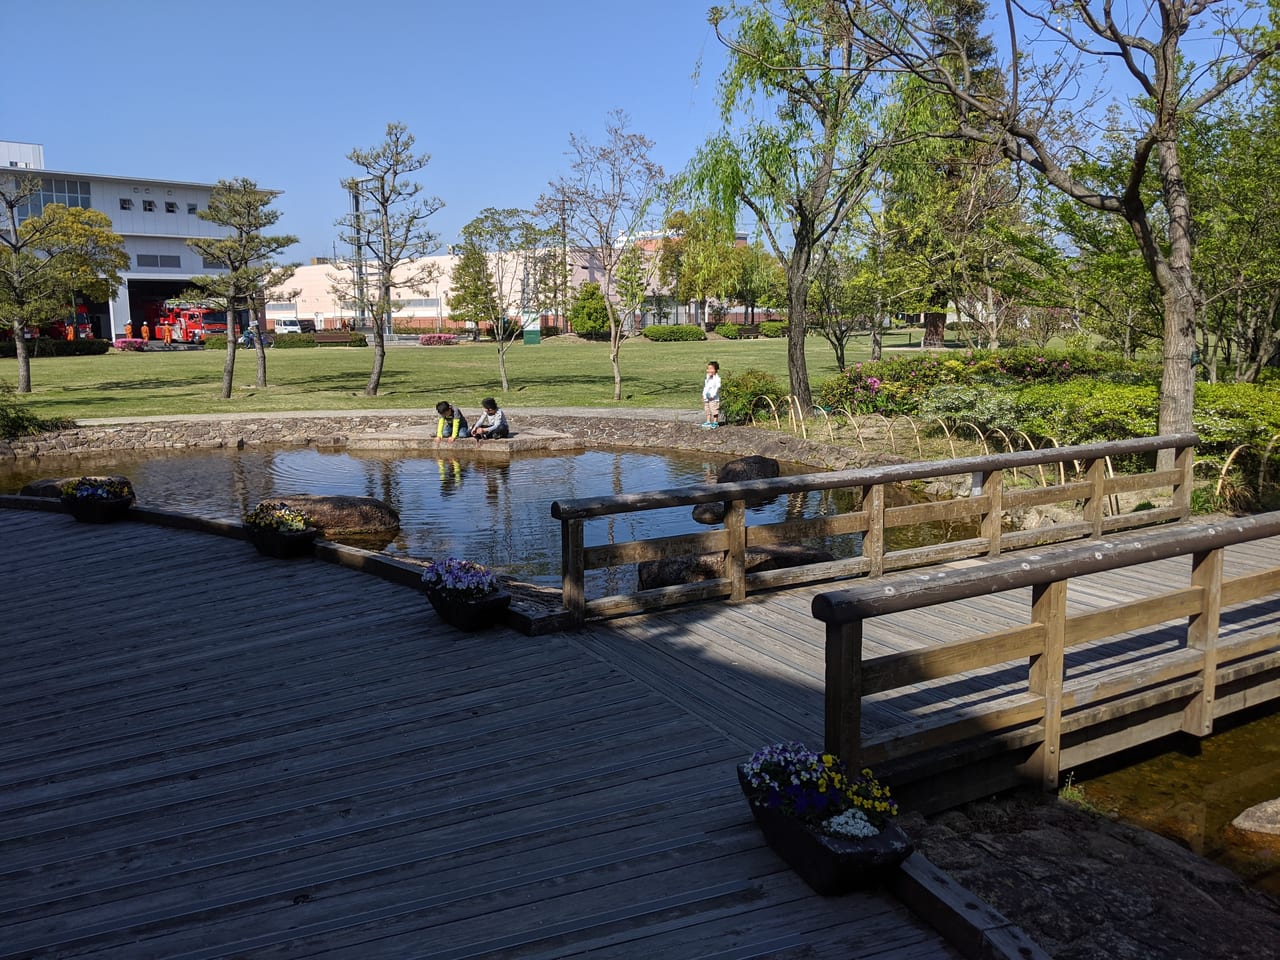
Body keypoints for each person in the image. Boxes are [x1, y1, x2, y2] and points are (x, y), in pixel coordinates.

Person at [701, 361, 721, 429]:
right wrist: (704, 395)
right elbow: (706, 387)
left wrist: (712, 395)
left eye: (711, 369)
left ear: (716, 370)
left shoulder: (717, 379)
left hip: (713, 398)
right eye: (708, 369)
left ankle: (715, 422)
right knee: (707, 409)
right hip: (707, 398)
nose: (709, 370)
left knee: (714, 410)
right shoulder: (708, 378)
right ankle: (708, 421)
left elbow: (717, 388)